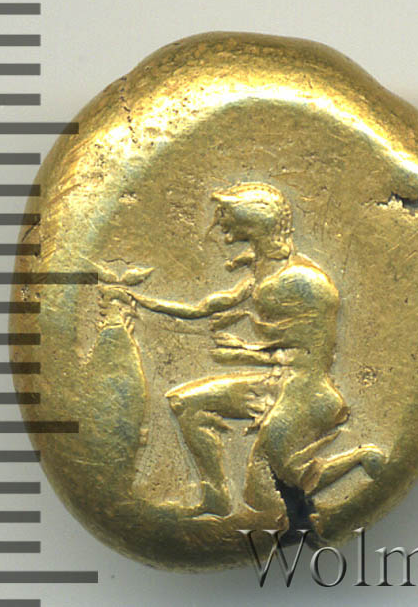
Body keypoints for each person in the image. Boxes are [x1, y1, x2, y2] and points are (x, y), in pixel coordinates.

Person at [116, 182, 384, 516]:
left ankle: (360, 458)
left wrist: (244, 352)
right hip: (276, 383)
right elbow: (204, 307)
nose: (219, 226)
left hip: (306, 394)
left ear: (254, 221)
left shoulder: (305, 282)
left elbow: (312, 352)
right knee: (186, 404)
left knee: (263, 496)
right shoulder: (262, 272)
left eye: (227, 216)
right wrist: (140, 300)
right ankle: (215, 497)